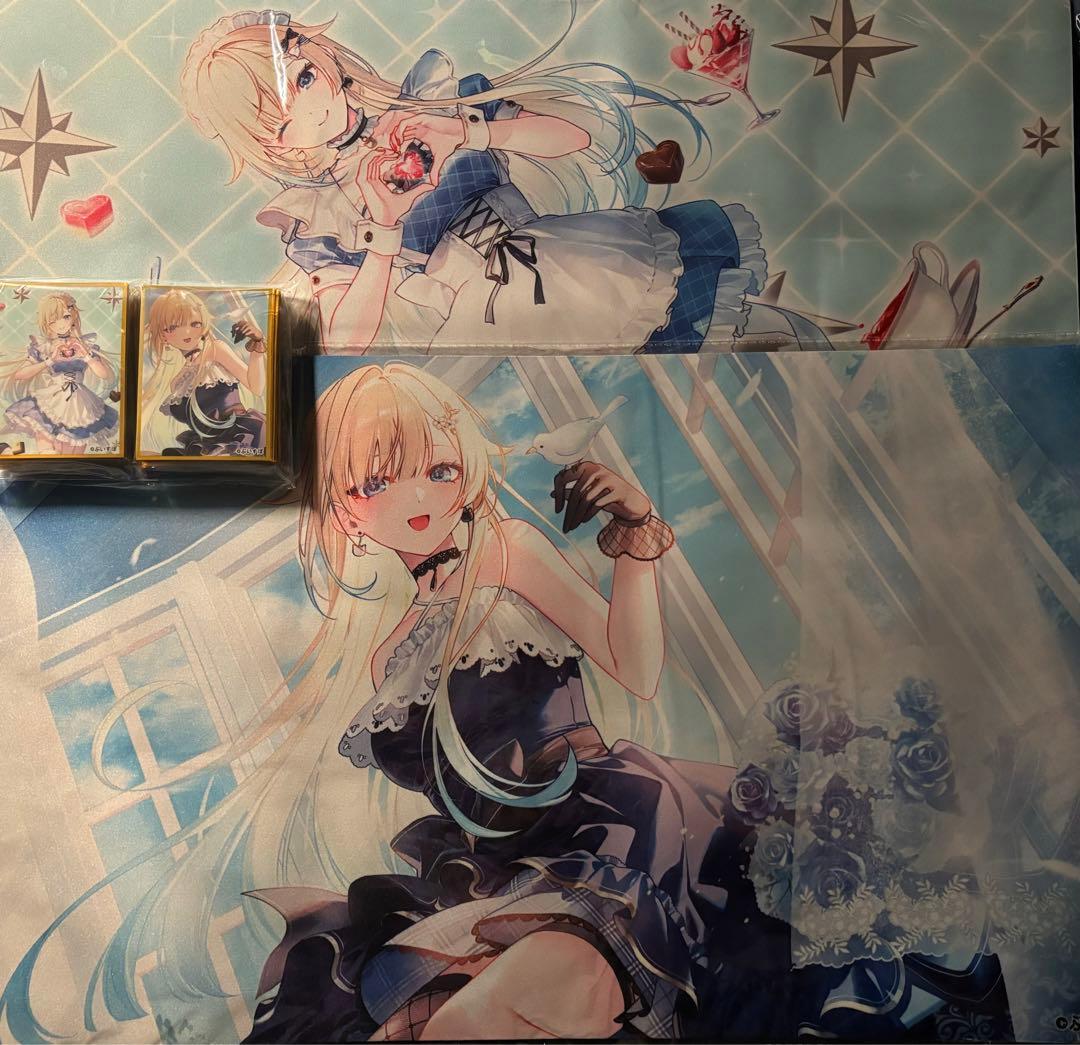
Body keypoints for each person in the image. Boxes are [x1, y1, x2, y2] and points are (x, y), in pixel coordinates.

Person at [180, 8, 830, 353]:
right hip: (488, 315)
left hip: (568, 255)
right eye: (282, 114)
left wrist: (468, 132)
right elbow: (349, 335)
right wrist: (382, 229)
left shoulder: (431, 99)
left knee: (734, 324)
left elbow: (571, 138)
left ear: (321, 54)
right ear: (272, 142)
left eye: (303, 72)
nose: (314, 97)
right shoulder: (319, 215)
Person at [2, 292, 118, 454]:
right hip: (52, 399)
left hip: (81, 404)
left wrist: (87, 357)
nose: (61, 324)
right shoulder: (44, 347)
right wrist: (49, 361)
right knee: (47, 449)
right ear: (46, 323)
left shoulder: (85, 345)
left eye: (65, 317)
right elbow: (20, 375)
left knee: (74, 449)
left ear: (73, 316)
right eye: (53, 320)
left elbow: (104, 374)